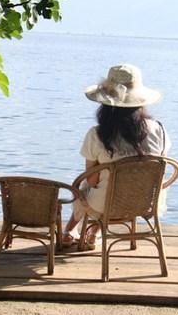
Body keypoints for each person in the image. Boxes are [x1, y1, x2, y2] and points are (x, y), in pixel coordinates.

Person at [63, 64, 171, 249]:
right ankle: (94, 231)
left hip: (104, 204)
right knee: (116, 183)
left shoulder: (97, 135)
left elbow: (92, 180)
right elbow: (160, 169)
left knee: (86, 187)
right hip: (145, 202)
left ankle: (70, 231)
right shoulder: (159, 130)